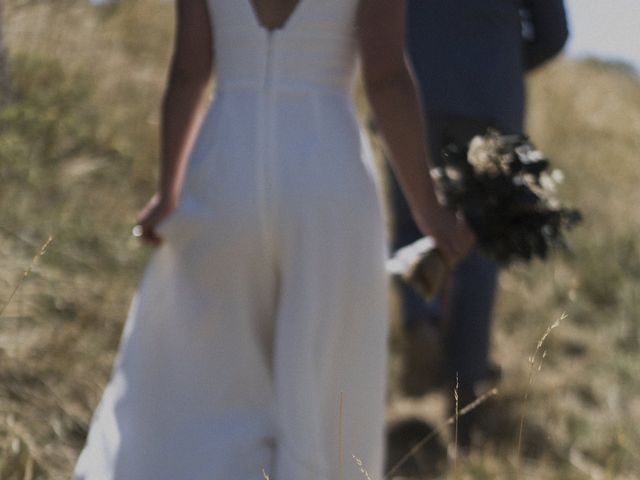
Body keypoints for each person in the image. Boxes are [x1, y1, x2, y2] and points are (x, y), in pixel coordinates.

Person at [73, 1, 474, 479]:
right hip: (326, 181)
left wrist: (168, 194)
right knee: (323, 393)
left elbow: (187, 72)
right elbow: (386, 79)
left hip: (225, 172)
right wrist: (429, 212)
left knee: (210, 391)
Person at [389, 0, 568, 441]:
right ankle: (465, 391)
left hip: (415, 91)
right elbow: (554, 34)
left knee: (415, 223)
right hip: (493, 100)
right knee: (481, 242)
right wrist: (503, 60)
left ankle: (422, 319)